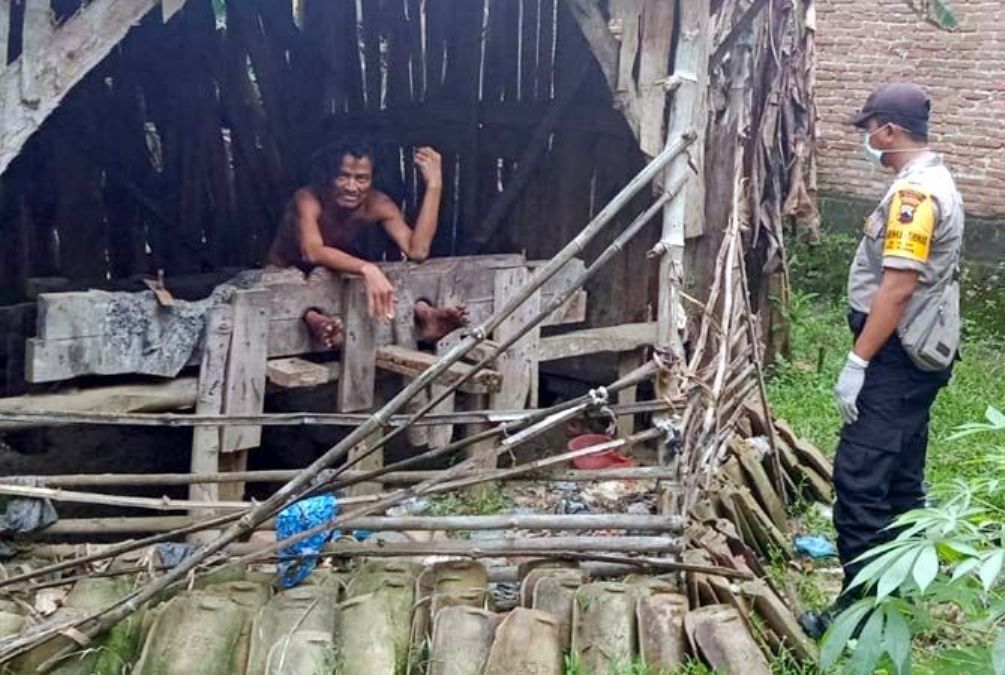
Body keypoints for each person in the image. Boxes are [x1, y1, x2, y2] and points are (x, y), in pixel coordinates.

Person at [801, 82, 964, 638]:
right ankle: (898, 593)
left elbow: (896, 289)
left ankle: (860, 614)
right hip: (920, 352)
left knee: (861, 479)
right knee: (900, 480)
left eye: (869, 129)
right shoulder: (933, 180)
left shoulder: (915, 195)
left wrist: (858, 362)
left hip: (896, 356)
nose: (866, 139)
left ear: (889, 130)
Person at [267, 141, 467, 347]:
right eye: (342, 176)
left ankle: (425, 314)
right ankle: (316, 320)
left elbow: (418, 251)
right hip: (286, 276)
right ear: (328, 176)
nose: (351, 187)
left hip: (336, 274)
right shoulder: (307, 199)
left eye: (361, 178)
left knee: (384, 284)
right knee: (312, 300)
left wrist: (434, 185)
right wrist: (368, 269)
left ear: (372, 179)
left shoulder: (377, 204)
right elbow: (312, 252)